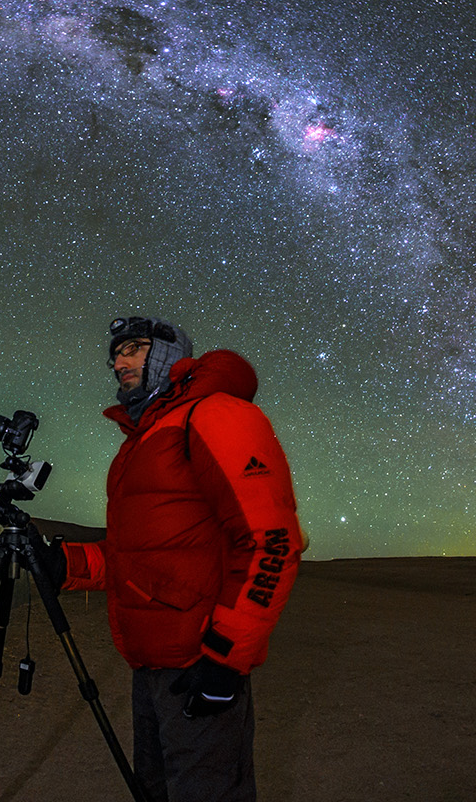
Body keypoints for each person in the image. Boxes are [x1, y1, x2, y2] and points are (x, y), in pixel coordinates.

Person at [38, 315, 303, 802]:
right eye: (115, 354)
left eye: (134, 348)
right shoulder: (142, 441)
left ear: (170, 353)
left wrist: (226, 659)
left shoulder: (215, 415)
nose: (119, 361)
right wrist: (66, 565)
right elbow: (145, 557)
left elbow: (272, 541)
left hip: (198, 660)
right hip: (152, 666)